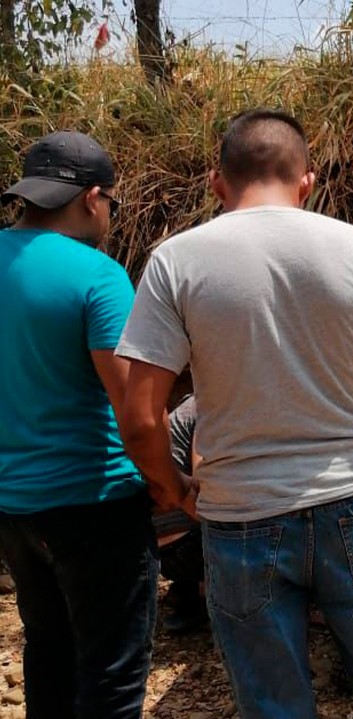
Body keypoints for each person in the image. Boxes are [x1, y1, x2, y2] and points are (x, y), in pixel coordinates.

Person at [115, 109, 353, 719]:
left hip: (240, 514)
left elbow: (140, 421)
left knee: (273, 706)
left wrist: (177, 491)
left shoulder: (175, 262)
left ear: (218, 182)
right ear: (308, 182)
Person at [0, 132, 171, 719]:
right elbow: (136, 415)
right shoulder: (96, 276)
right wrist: (172, 488)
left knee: (48, 648)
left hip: (16, 509)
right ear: (93, 198)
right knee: (112, 675)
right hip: (96, 506)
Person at [152, 394, 208, 635]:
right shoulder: (208, 405)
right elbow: (204, 481)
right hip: (185, 546)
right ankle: (206, 595)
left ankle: (188, 592)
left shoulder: (192, 404)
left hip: (158, 546)